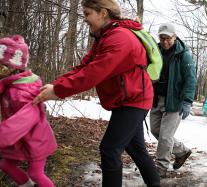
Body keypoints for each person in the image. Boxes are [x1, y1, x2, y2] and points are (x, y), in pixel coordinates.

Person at [33, 0, 160, 186]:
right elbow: (84, 66)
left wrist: (59, 90)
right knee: (136, 148)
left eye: (87, 14)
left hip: (134, 100)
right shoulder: (106, 36)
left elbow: (95, 72)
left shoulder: (120, 37)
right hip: (128, 99)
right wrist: (56, 85)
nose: (85, 19)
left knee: (110, 150)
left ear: (103, 13)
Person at [0, 35, 57, 187]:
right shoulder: (11, 85)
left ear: (13, 68)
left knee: (36, 173)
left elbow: (23, 121)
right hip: (21, 140)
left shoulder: (22, 91)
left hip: (36, 139)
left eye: (1, 67)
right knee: (6, 165)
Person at [149, 22, 196, 177]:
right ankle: (182, 151)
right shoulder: (155, 51)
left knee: (165, 136)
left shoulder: (183, 55)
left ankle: (161, 168)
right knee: (155, 130)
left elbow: (190, 79)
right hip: (156, 98)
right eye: (162, 38)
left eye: (168, 38)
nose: (165, 41)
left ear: (174, 37)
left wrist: (187, 101)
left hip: (174, 101)